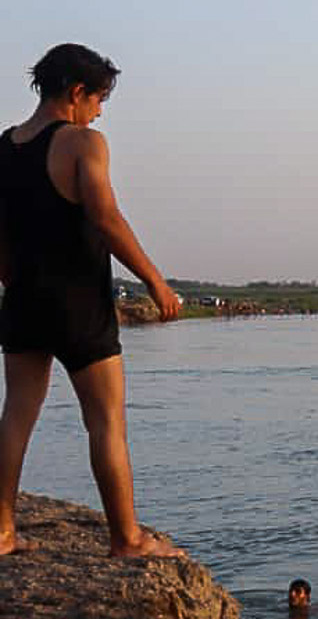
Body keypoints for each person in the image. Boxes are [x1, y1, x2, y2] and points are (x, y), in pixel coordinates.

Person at [0, 44, 182, 558]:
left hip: (23, 298)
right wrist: (155, 282)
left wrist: (10, 274)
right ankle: (126, 538)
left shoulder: (4, 147)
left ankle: (2, 530)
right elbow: (106, 218)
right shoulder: (84, 143)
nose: (100, 111)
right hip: (78, 300)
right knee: (105, 420)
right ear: (76, 92)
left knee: (16, 413)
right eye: (99, 98)